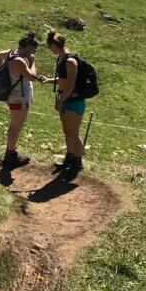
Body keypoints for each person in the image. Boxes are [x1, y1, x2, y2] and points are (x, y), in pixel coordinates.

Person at [0, 32, 49, 171]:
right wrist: (33, 61)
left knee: (15, 125)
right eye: (33, 50)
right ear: (29, 47)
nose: (34, 52)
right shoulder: (19, 61)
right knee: (15, 126)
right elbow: (31, 76)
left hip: (14, 95)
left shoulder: (11, 52)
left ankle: (11, 152)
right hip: (19, 98)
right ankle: (10, 155)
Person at [47, 30, 87, 181]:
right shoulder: (61, 59)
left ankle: (77, 162)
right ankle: (69, 158)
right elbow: (62, 80)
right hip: (65, 99)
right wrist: (50, 81)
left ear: (54, 45)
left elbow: (70, 85)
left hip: (74, 101)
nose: (49, 49)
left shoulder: (70, 61)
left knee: (73, 132)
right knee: (67, 131)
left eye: (49, 46)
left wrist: (61, 101)